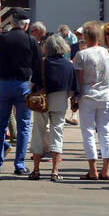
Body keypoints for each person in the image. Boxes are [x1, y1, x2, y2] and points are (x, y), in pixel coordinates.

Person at [0, 8, 42, 175]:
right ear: (26, 25)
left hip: (4, 84)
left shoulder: (0, 39)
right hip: (23, 85)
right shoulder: (31, 41)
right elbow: (37, 66)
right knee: (24, 126)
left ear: (12, 24)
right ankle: (19, 164)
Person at [29, 32, 77, 182]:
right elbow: (72, 88)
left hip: (41, 101)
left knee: (38, 132)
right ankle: (55, 171)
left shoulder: (41, 62)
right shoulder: (68, 65)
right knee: (57, 134)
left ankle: (36, 170)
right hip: (60, 101)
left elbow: (31, 84)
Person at [72, 21, 109, 179]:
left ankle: (93, 169)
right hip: (104, 94)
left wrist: (74, 99)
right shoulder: (108, 53)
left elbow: (79, 79)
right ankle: (106, 168)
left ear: (85, 37)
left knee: (88, 132)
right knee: (105, 130)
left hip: (87, 95)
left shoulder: (82, 54)